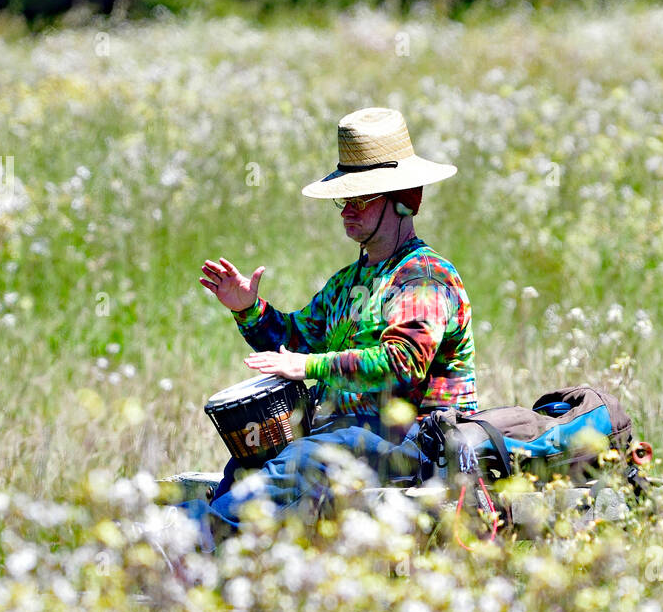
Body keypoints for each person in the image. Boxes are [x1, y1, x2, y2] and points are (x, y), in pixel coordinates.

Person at [180, 107, 478, 543]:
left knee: (302, 459)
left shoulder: (424, 277)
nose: (347, 212)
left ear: (402, 199)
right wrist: (248, 309)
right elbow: (293, 344)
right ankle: (213, 560)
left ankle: (191, 542)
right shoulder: (347, 281)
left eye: (362, 199)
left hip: (421, 435)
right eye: (345, 200)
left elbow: (403, 364)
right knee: (248, 461)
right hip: (352, 434)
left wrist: (312, 367)